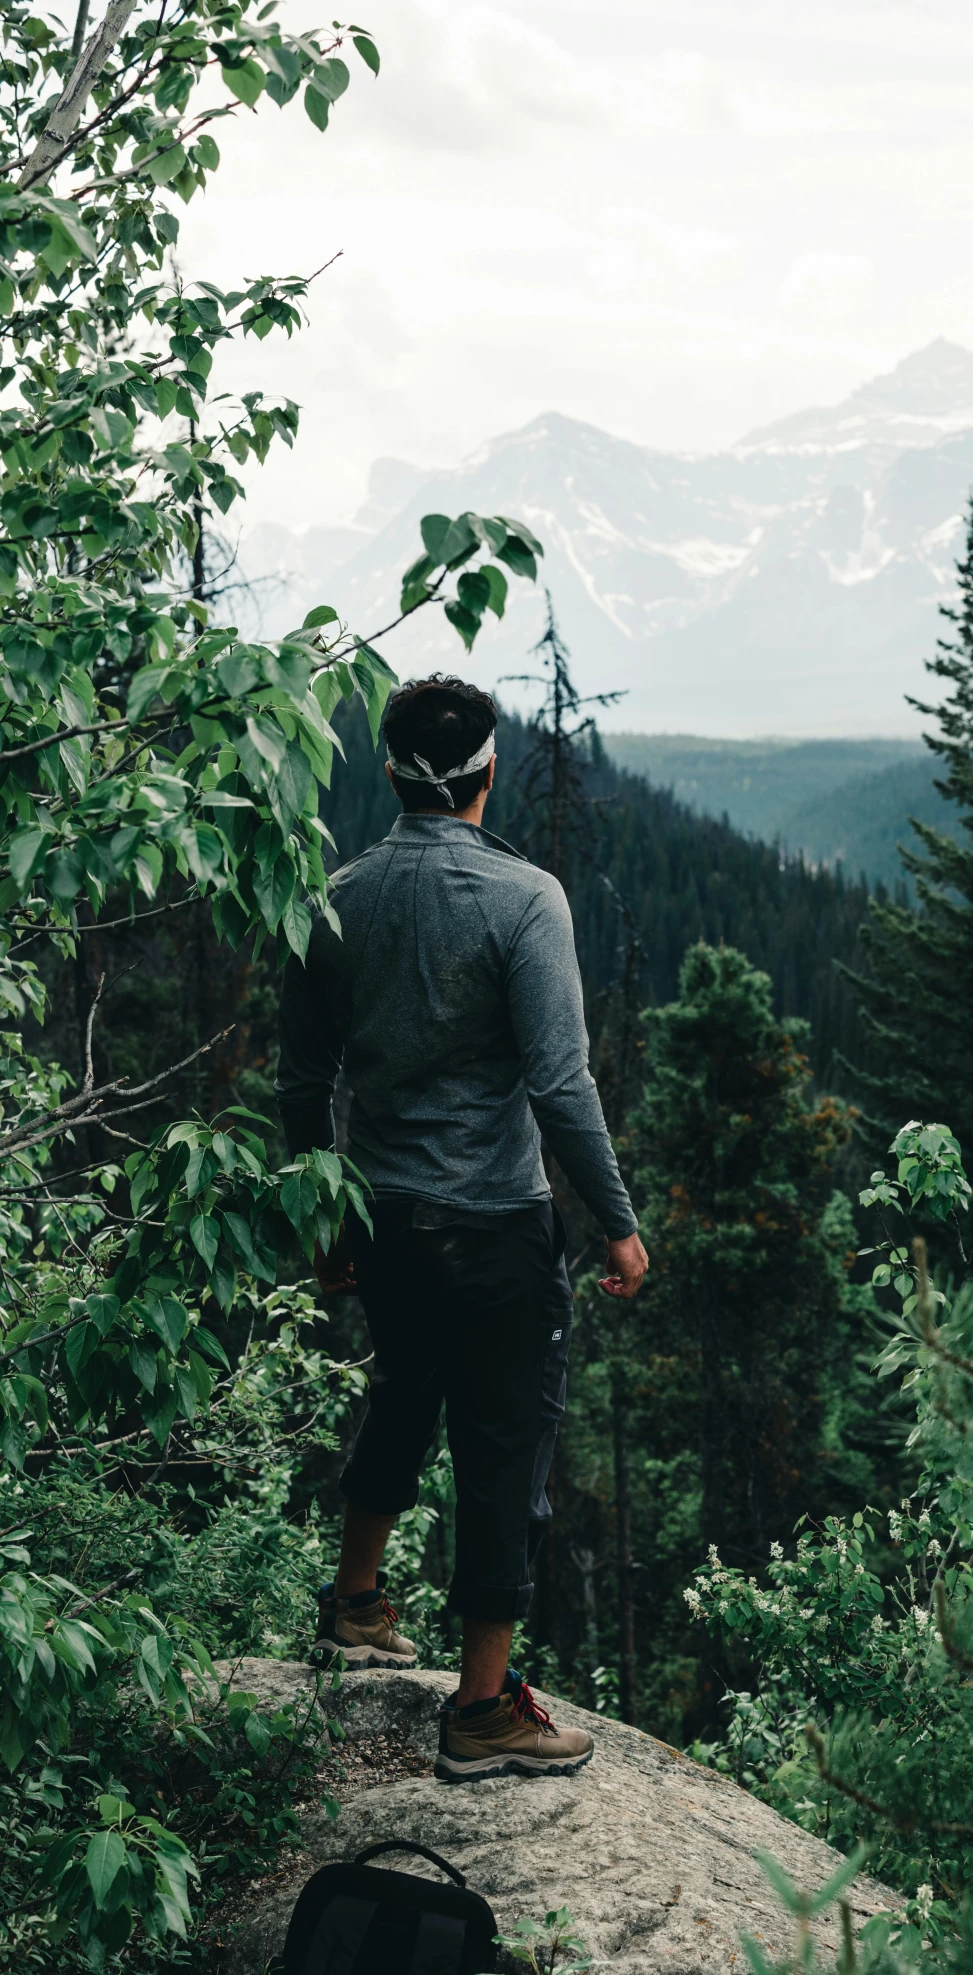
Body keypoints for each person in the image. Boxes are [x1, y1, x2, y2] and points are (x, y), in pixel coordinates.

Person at [275, 674, 647, 1783]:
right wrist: (619, 1224)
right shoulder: (525, 897)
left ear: (390, 773)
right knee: (502, 1453)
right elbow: (562, 1086)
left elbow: (306, 1081)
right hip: (493, 1225)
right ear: (487, 773)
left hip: (381, 1212)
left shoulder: (332, 896)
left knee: (402, 1391)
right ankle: (482, 1713)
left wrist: (325, 1214)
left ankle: (354, 1602)